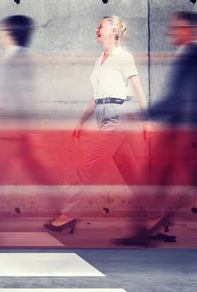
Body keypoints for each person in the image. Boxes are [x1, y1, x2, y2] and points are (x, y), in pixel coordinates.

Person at [44, 15, 155, 236]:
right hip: (103, 116)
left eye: (101, 26)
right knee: (131, 173)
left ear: (114, 30)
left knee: (88, 167)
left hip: (117, 117)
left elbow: (138, 89)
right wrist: (82, 121)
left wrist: (148, 120)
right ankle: (157, 214)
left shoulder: (124, 57)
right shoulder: (99, 60)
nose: (97, 29)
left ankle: (68, 215)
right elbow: (96, 96)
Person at [141, 12, 197, 252]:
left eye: (177, 27)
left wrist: (143, 114)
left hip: (190, 136)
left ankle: (142, 231)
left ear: (191, 30)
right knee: (160, 181)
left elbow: (189, 99)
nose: (171, 31)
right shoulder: (191, 55)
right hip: (180, 134)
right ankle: (142, 231)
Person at [0, 15, 58, 219]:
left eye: (3, 30)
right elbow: (12, 91)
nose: (0, 34)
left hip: (14, 126)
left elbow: (24, 94)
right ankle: (63, 209)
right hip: (12, 124)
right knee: (28, 169)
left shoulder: (19, 57)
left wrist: (31, 129)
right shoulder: (15, 56)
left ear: (12, 32)